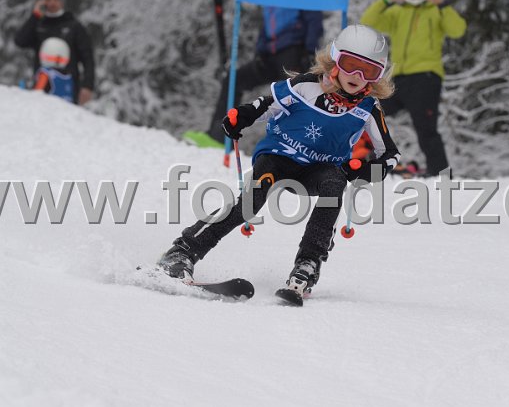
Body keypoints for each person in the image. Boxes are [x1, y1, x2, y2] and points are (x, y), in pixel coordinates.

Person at [158, 24, 401, 298]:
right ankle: (182, 251)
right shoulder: (306, 86)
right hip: (278, 158)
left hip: (318, 171)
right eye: (350, 65)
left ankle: (307, 265)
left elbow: (390, 155)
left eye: (369, 71)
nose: (357, 76)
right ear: (335, 59)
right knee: (251, 201)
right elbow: (266, 105)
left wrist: (366, 171)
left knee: (335, 182)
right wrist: (242, 116)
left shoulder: (368, 108)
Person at [361, 0, 466, 177]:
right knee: (367, 110)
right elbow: (368, 21)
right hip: (398, 79)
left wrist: (439, 2)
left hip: (425, 79)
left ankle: (440, 175)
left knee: (426, 129)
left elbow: (457, 29)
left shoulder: (436, 11)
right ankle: (361, 159)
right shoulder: (397, 12)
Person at [183, 6, 324, 148]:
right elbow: (267, 26)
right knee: (234, 80)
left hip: (293, 52)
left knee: (291, 96)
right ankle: (219, 137)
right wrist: (260, 50)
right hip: (269, 54)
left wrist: (310, 50)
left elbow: (314, 19)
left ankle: (299, 146)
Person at [14, 0, 95, 105]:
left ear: (62, 1)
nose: (52, 3)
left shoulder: (74, 26)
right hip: (41, 87)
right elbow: (20, 41)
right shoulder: (39, 25)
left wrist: (88, 85)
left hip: (68, 88)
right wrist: (35, 16)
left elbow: (87, 58)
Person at [33, 37, 74, 102]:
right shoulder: (68, 76)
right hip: (66, 107)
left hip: (49, 107)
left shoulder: (45, 73)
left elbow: (36, 94)